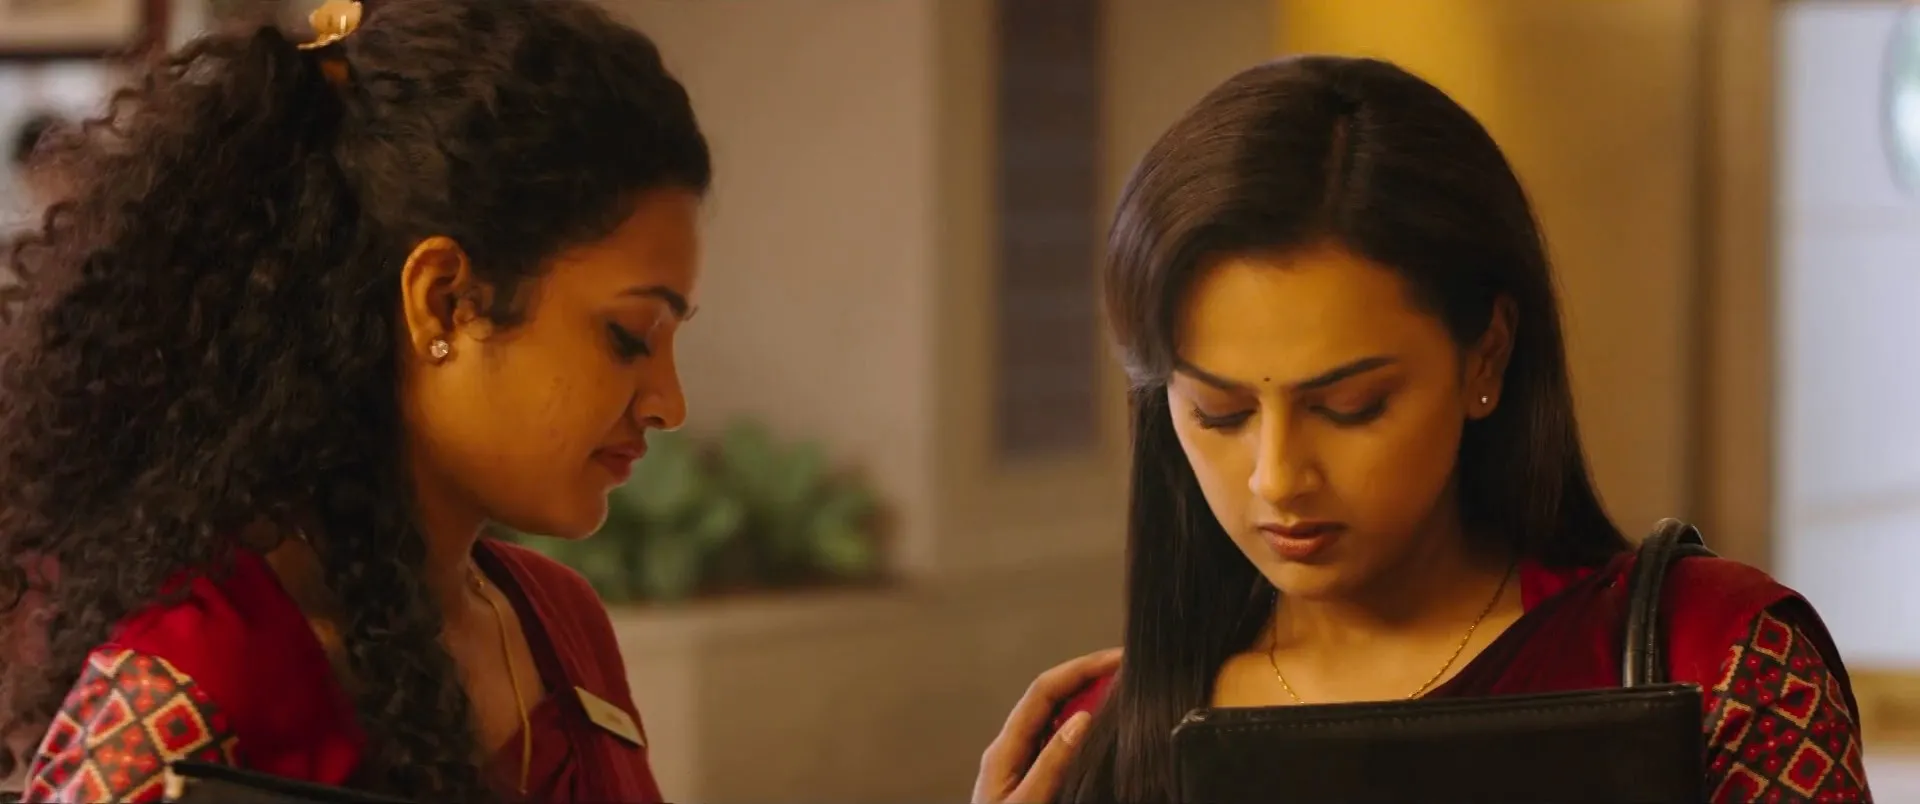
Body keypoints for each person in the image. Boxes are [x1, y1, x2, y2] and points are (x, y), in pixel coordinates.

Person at [0, 1, 1113, 802]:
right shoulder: (187, 694)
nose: (668, 401)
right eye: (628, 337)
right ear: (444, 299)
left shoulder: (555, 623)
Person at [1039, 55, 1875, 804]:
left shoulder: (1716, 663)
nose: (1278, 477)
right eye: (1220, 413)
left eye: (1351, 405)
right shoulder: (1094, 739)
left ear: (1487, 355)